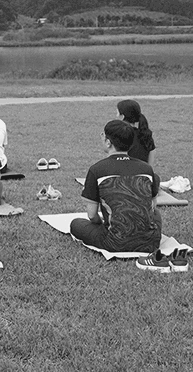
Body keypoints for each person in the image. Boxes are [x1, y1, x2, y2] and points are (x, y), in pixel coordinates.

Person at [68, 121, 163, 255]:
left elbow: (92, 215)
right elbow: (152, 208)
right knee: (156, 214)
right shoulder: (146, 169)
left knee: (76, 224)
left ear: (108, 142)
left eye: (103, 135)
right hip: (150, 243)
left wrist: (103, 224)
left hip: (115, 243)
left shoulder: (97, 170)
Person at [116, 99, 157, 163]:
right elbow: (150, 162)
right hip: (144, 171)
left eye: (117, 113)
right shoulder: (146, 135)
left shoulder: (119, 135)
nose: (116, 116)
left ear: (122, 116)